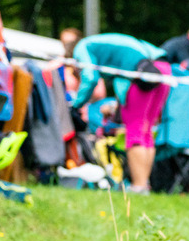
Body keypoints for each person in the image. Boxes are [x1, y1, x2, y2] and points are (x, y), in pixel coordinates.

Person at [71, 34, 171, 194]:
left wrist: (76, 105)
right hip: (164, 70)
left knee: (135, 130)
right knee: (146, 131)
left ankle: (138, 186)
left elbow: (90, 77)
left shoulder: (82, 47)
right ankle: (144, 185)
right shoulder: (101, 43)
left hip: (143, 72)